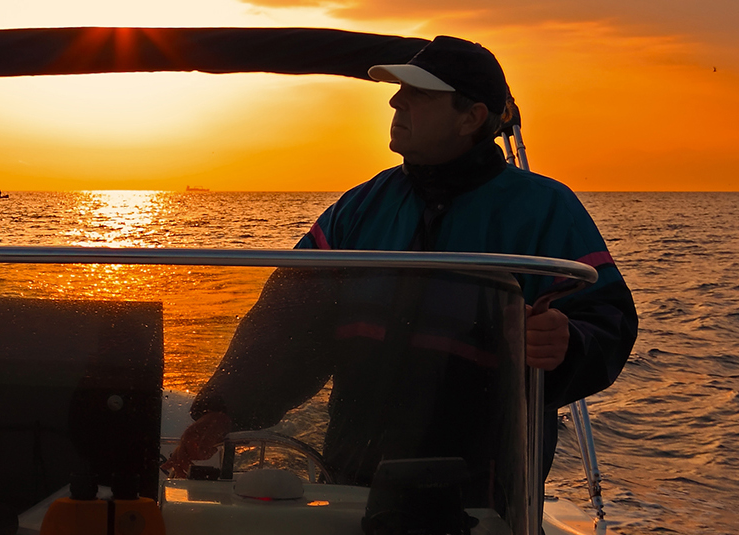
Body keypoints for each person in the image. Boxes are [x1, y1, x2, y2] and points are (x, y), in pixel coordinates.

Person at [164, 37, 639, 489]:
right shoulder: (359, 209)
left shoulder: (545, 211)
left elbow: (607, 318)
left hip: (487, 497)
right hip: (352, 480)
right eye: (398, 91)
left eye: (418, 93)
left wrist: (568, 343)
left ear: (471, 116)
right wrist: (226, 409)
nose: (396, 103)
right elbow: (288, 320)